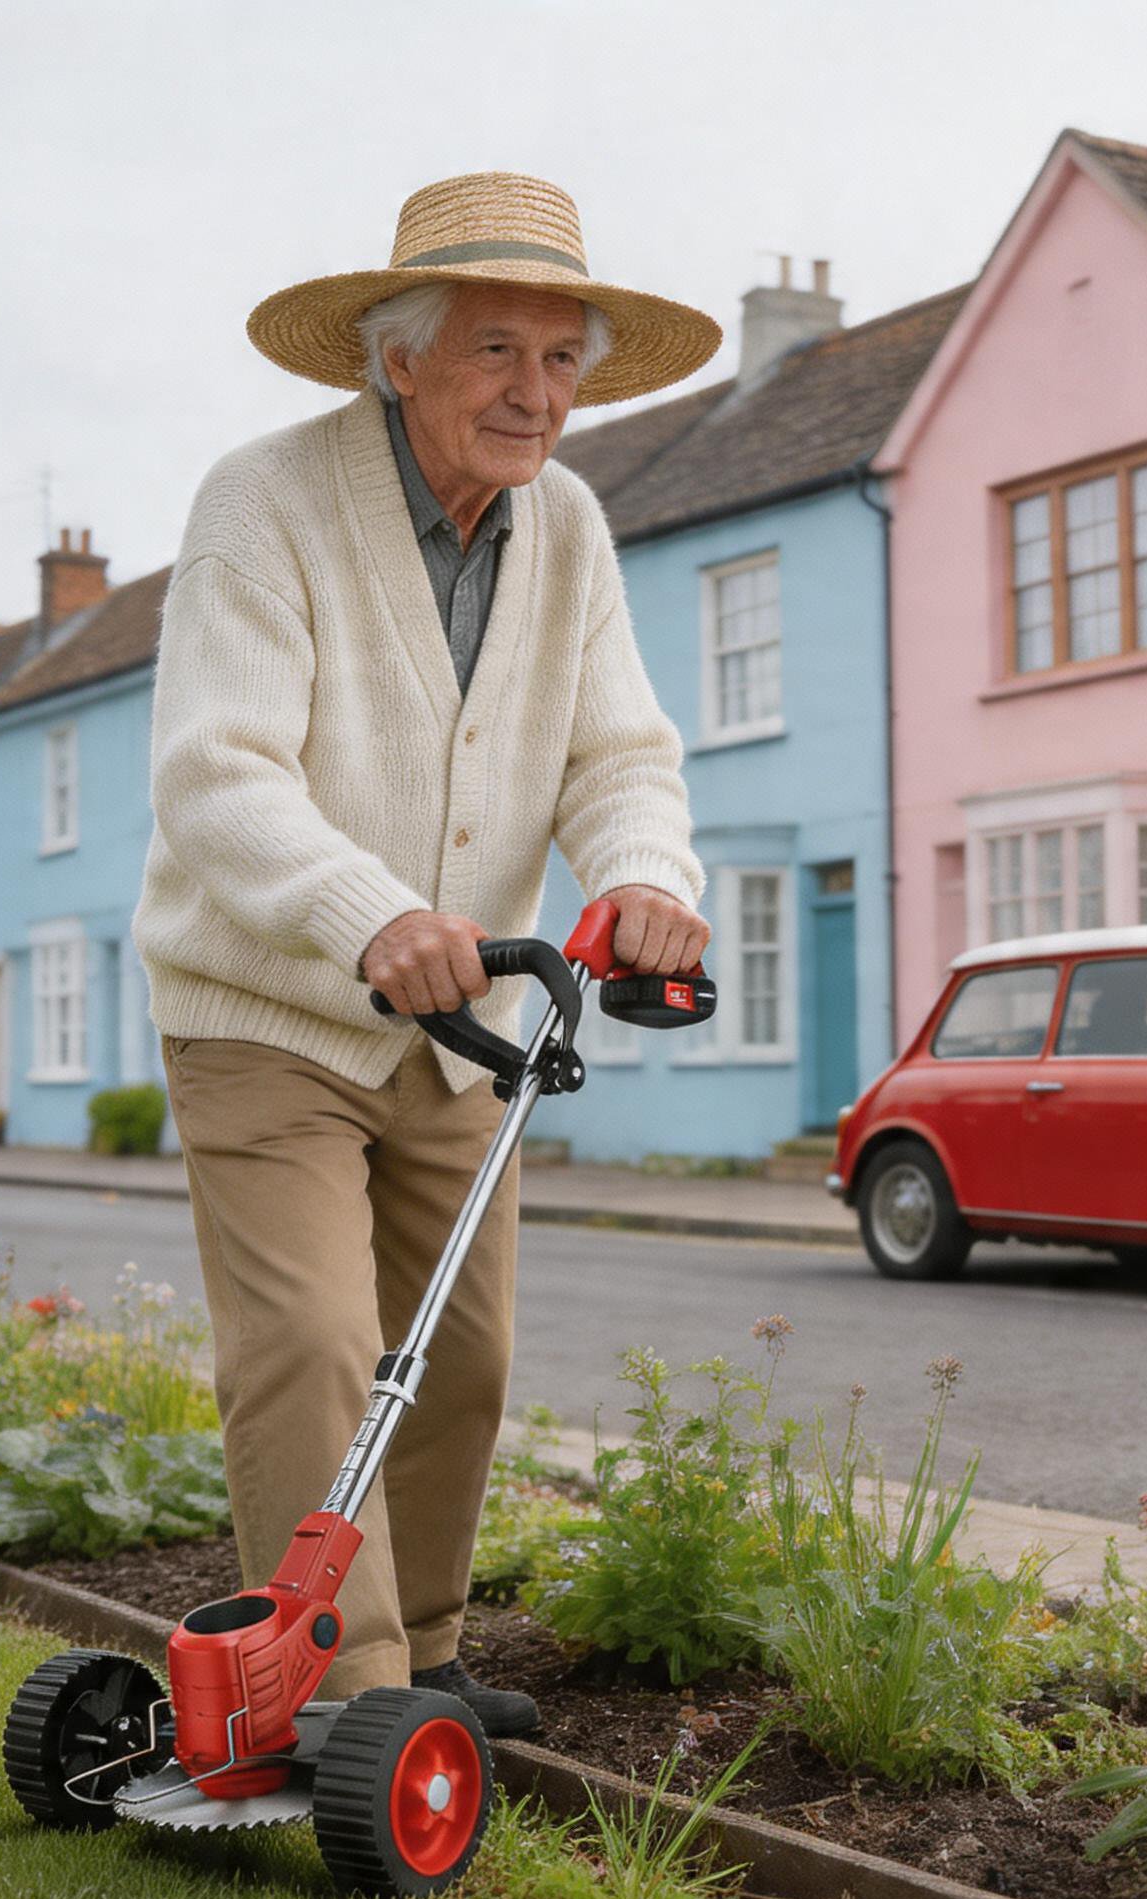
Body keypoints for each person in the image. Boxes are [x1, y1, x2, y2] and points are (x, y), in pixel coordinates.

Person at [133, 173, 718, 1733]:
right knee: (319, 1347)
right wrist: (367, 913)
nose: (537, 396)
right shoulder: (261, 501)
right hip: (267, 1010)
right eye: (495, 352)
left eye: (563, 361)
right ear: (398, 357)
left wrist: (651, 874)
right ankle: (339, 1697)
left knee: (461, 1355)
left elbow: (619, 755)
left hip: (463, 1027)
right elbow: (214, 774)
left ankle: (429, 1654)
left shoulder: (570, 526)